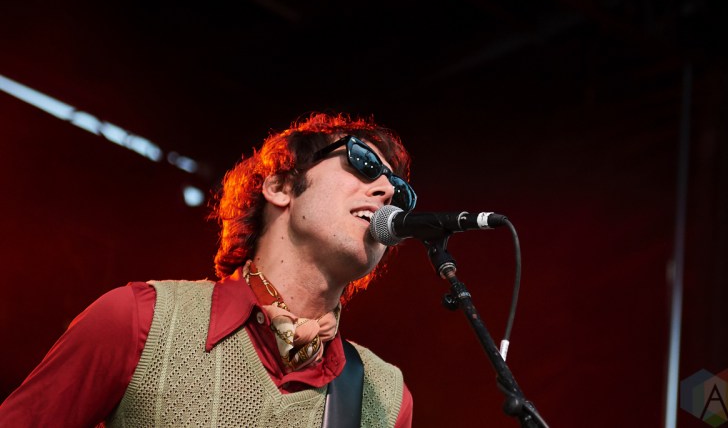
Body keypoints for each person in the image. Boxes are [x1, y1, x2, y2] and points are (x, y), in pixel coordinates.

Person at [0, 111, 416, 427]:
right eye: (363, 163)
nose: (386, 191)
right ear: (281, 187)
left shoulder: (388, 397)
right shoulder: (137, 320)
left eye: (400, 192)